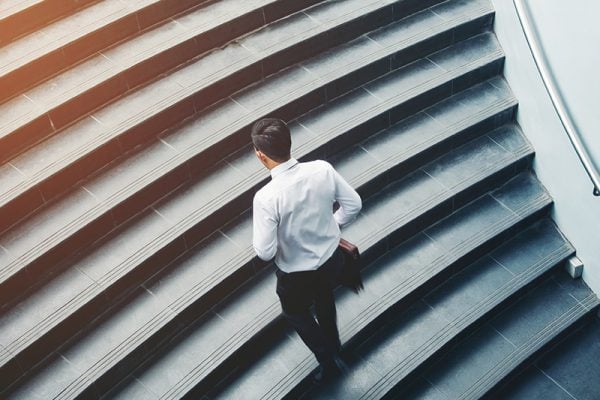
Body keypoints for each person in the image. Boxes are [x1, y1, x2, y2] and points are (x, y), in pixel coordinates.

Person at [251, 117, 362, 383]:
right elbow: (354, 205)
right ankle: (335, 345)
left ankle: (327, 360)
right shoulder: (321, 169)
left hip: (296, 274)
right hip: (330, 259)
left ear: (261, 156)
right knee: (325, 298)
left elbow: (264, 251)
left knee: (295, 313)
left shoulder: (266, 197)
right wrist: (331, 224)